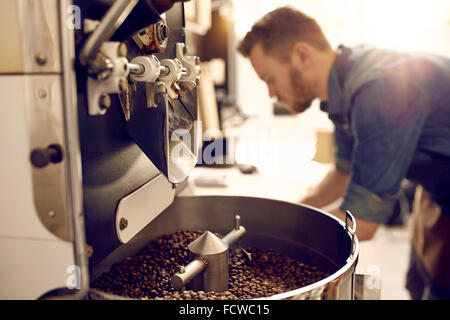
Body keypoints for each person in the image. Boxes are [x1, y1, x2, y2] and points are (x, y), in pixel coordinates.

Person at [237, 6, 450, 299]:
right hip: (438, 186)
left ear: (302, 54)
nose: (271, 94)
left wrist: (274, 243)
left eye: (270, 78)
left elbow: (363, 221)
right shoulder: (344, 78)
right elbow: (342, 174)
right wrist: (285, 216)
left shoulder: (377, 88)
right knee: (418, 282)